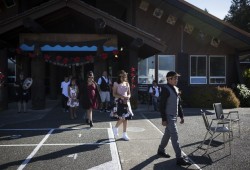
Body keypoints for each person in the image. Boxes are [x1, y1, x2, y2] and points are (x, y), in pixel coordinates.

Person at [157, 71, 192, 166]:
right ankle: (179, 158)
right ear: (169, 79)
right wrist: (164, 119)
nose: (176, 80)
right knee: (175, 136)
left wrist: (181, 115)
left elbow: (179, 104)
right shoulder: (165, 89)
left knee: (167, 134)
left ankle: (160, 150)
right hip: (169, 117)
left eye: (177, 78)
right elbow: (162, 105)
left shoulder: (176, 89)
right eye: (174, 78)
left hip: (174, 116)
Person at [112, 70, 134, 141]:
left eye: (125, 76)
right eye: (123, 76)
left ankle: (124, 134)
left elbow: (129, 93)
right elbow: (114, 94)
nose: (125, 77)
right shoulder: (116, 83)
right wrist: (121, 97)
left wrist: (128, 97)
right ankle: (116, 127)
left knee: (126, 118)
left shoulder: (127, 83)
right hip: (119, 102)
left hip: (126, 102)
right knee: (122, 117)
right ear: (120, 76)